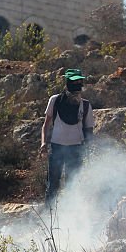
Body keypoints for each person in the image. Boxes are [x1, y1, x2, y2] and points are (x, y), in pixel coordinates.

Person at [42, 69, 95, 205]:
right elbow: (46, 125)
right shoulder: (55, 100)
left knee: (73, 185)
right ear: (67, 83)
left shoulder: (86, 105)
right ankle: (49, 215)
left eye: (79, 82)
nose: (77, 86)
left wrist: (88, 150)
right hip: (57, 147)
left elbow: (89, 130)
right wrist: (43, 143)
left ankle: (71, 215)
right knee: (53, 184)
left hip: (76, 149)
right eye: (74, 82)